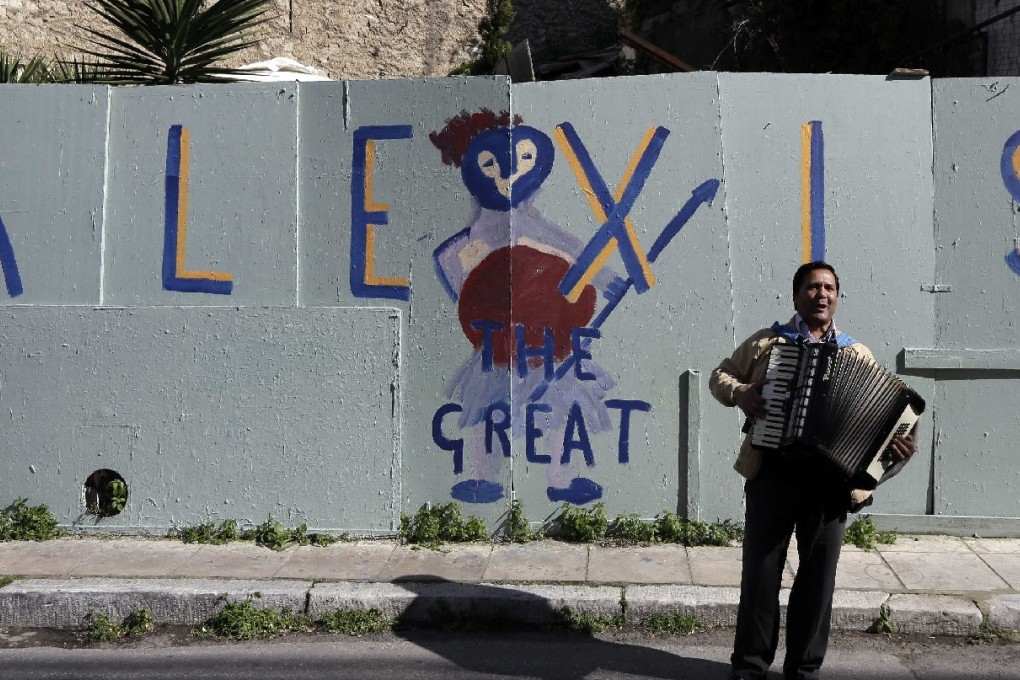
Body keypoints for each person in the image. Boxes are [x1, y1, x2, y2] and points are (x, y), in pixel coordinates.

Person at [709, 261, 917, 680]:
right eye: (812, 287)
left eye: (829, 288)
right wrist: (742, 393)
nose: (821, 295)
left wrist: (897, 452)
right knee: (760, 579)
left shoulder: (858, 355)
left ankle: (804, 669)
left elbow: (883, 422)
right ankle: (750, 667)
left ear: (837, 297)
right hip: (773, 475)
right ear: (796, 295)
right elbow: (720, 376)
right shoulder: (769, 343)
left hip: (831, 488)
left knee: (818, 584)